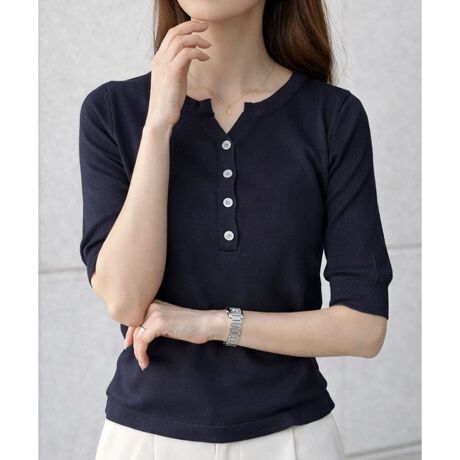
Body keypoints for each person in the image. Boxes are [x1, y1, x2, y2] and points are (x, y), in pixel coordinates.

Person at [78, 1, 393, 459]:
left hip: (293, 439)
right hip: (146, 441)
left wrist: (213, 324)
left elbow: (364, 328)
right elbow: (125, 301)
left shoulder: (333, 116)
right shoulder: (112, 111)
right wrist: (159, 123)